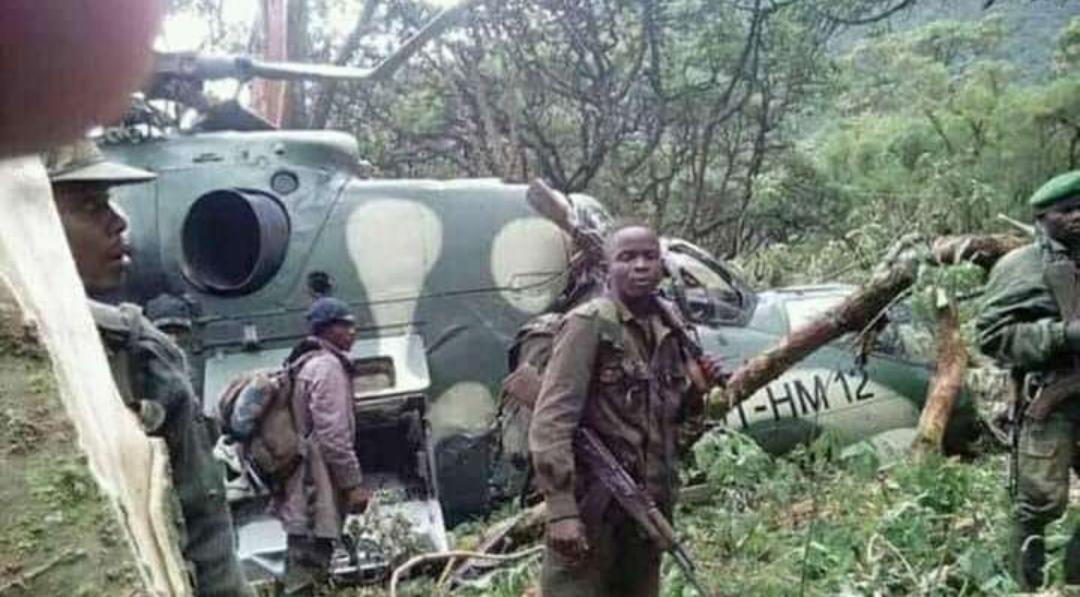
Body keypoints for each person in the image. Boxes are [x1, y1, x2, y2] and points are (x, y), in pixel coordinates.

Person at [44, 139, 252, 596]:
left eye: (108, 202)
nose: (118, 222)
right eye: (89, 205)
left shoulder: (138, 355)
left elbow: (205, 531)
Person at [528, 223, 719, 597]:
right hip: (592, 510)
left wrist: (697, 391)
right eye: (627, 257)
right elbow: (551, 420)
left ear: (662, 266)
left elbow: (674, 425)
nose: (640, 266)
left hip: (648, 509)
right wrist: (562, 510)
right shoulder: (590, 324)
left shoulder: (669, 331)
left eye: (649, 256)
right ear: (607, 268)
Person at [977, 170, 1080, 590]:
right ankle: (1025, 585)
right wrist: (1060, 335)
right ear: (1042, 217)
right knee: (1038, 503)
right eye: (1066, 211)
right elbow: (992, 335)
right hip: (1051, 400)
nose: (1078, 218)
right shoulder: (1021, 266)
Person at [271, 296, 370, 595]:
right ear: (326, 330)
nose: (352, 331)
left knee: (302, 558)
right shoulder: (327, 368)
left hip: (300, 480)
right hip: (315, 485)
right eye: (345, 325)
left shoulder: (303, 364)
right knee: (308, 567)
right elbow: (333, 434)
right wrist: (352, 484)